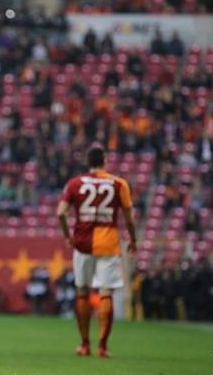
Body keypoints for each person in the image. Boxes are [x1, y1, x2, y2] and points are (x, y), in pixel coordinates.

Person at [56, 146, 137, 358]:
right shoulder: (119, 183)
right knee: (105, 293)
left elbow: (61, 213)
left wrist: (67, 236)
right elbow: (129, 218)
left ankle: (84, 344)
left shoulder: (75, 183)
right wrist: (133, 240)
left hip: (82, 243)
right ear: (105, 161)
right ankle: (102, 346)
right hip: (109, 244)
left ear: (88, 161)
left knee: (82, 291)